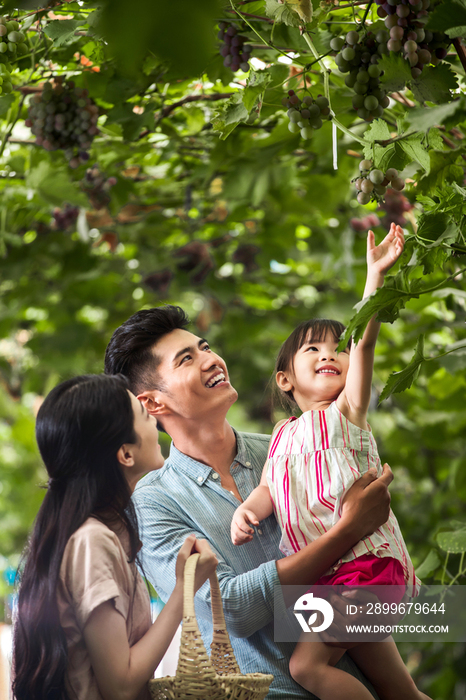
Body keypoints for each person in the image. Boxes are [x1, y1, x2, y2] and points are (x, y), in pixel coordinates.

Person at [104, 303, 395, 699]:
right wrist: (348, 530)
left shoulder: (289, 446)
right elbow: (234, 609)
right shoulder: (153, 504)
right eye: (188, 359)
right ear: (153, 403)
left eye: (205, 347)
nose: (210, 359)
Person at [230, 224, 428, 700]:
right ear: (284, 379)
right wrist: (249, 510)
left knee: (307, 665)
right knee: (399, 689)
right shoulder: (280, 437)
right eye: (312, 349)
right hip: (332, 574)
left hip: (368, 566)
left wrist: (374, 277)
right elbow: (271, 490)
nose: (329, 355)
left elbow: (365, 344)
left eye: (335, 348)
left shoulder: (347, 413)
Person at [12, 374, 217, 700]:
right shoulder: (93, 541)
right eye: (147, 417)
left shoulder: (92, 535)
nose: (156, 423)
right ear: (125, 454)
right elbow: (120, 685)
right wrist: (185, 589)